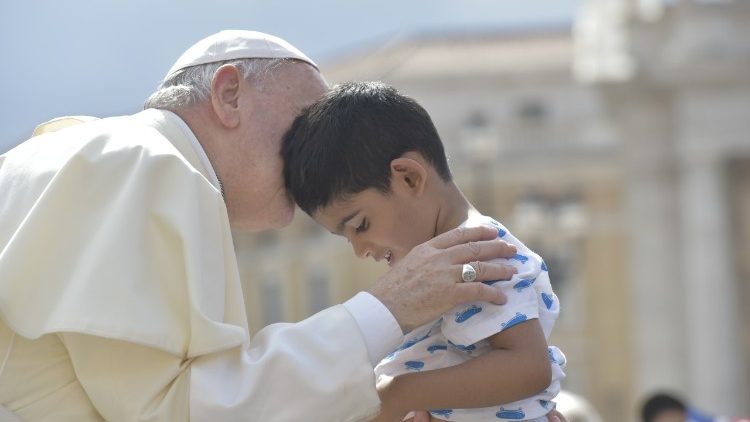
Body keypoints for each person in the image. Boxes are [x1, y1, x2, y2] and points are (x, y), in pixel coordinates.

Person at [0, 30, 528, 421]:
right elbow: (175, 412)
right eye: (304, 130)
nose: (316, 164)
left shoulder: (118, 160)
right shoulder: (143, 161)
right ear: (230, 94)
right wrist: (389, 308)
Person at [282, 81, 567, 421]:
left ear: (409, 178)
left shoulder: (476, 252)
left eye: (360, 225)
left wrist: (402, 393)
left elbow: (528, 367)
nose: (360, 250)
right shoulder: (459, 253)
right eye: (346, 238)